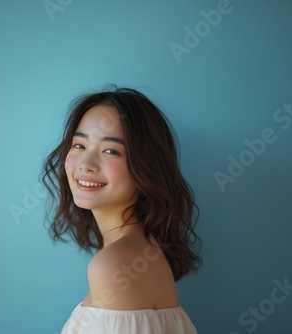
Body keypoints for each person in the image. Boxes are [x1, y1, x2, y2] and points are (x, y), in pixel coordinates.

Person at [42, 86, 202, 333]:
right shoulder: (139, 251)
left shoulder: (115, 265)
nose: (86, 164)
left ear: (145, 166)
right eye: (79, 145)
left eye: (110, 151)